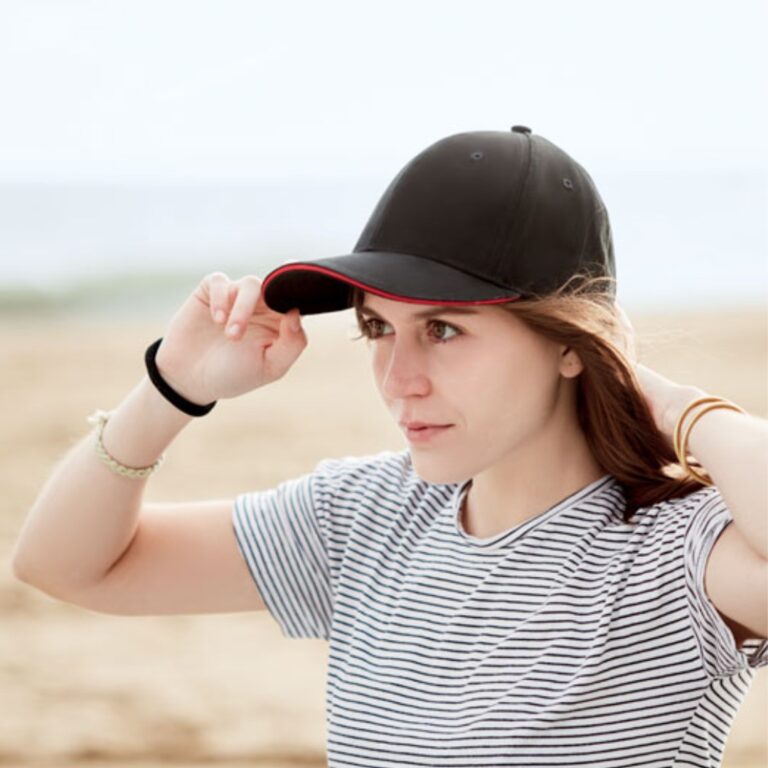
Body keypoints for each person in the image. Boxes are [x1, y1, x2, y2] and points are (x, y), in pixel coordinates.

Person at [12, 126, 768, 767]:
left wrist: (674, 405)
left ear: (570, 342)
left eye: (443, 330)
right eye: (378, 329)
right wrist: (173, 388)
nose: (398, 378)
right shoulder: (365, 517)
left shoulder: (676, 555)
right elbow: (67, 565)